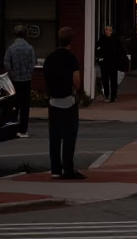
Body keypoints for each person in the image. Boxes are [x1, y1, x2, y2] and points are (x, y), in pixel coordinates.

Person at [43, 28, 83, 180]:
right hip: (68, 101)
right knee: (69, 136)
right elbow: (77, 81)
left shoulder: (49, 58)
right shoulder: (71, 58)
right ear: (70, 41)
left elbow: (46, 80)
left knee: (54, 137)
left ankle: (55, 170)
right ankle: (68, 168)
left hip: (53, 101)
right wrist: (76, 90)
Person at [3, 24, 35, 138]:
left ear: (15, 35)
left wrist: (12, 74)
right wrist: (28, 73)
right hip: (26, 80)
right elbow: (32, 64)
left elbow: (6, 64)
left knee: (14, 106)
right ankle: (23, 130)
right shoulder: (30, 48)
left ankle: (13, 129)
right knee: (25, 106)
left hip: (15, 81)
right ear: (25, 35)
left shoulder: (11, 49)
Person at [95, 26, 128, 102]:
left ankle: (113, 96)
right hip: (104, 62)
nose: (106, 31)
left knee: (113, 79)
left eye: (108, 30)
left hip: (113, 62)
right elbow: (98, 48)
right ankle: (106, 95)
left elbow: (119, 50)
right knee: (105, 79)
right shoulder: (102, 39)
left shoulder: (115, 39)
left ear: (111, 31)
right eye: (105, 30)